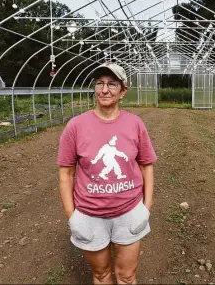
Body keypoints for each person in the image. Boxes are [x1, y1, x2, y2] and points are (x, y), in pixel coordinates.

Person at [57, 62, 157, 284]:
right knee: (101, 275)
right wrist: (72, 216)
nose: (104, 90)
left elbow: (146, 165)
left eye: (112, 84)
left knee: (127, 276)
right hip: (89, 215)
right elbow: (66, 173)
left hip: (129, 212)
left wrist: (146, 207)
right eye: (100, 83)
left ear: (123, 92)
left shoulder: (135, 124)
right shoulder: (76, 126)